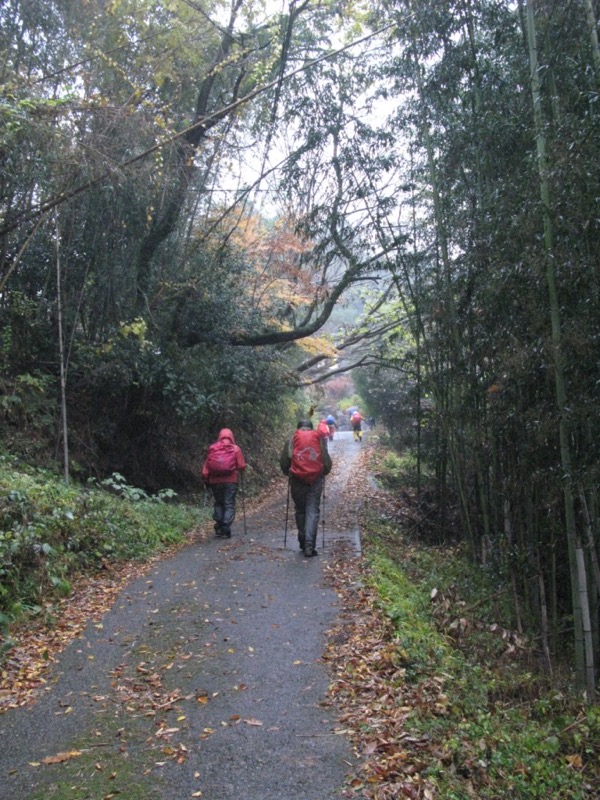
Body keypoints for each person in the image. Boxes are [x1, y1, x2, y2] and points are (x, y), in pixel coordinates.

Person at [280, 419, 332, 557]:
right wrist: (323, 472)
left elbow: (285, 461)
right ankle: (310, 545)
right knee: (312, 510)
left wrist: (289, 473)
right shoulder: (318, 439)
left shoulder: (292, 440)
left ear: (298, 428)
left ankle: (303, 539)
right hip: (315, 480)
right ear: (311, 427)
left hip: (297, 480)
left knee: (300, 510)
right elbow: (326, 460)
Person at [202, 428, 246, 538]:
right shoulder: (235, 449)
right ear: (231, 437)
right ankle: (226, 527)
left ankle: (219, 527)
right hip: (230, 481)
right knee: (229, 504)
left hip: (215, 481)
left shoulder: (212, 448)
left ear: (219, 436)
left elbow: (206, 467)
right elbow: (241, 466)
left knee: (218, 503)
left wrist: (206, 479)